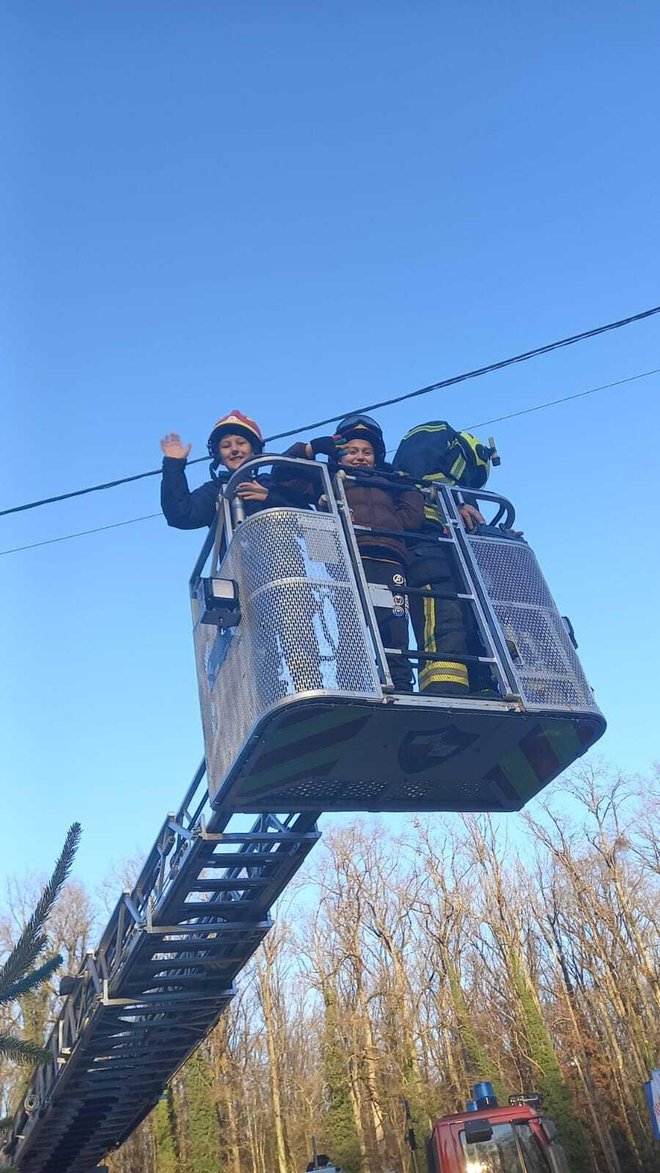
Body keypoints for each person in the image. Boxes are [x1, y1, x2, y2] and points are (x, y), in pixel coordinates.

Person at [283, 414, 424, 693]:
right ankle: (354, 686)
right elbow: (284, 476)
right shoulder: (327, 477)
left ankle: (401, 685)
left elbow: (413, 516)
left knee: (393, 626)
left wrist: (399, 505)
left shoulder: (390, 481)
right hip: (345, 557)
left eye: (367, 452)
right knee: (351, 623)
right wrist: (310, 449)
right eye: (351, 451)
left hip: (388, 556)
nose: (359, 457)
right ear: (338, 455)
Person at [392, 420, 494, 697]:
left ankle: (482, 685)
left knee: (470, 618)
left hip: (448, 549)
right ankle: (445, 687)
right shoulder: (435, 434)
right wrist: (453, 504)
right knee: (441, 615)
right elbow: (419, 474)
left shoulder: (458, 486)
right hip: (426, 545)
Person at [160, 410, 301, 529]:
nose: (234, 450)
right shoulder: (215, 492)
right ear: (219, 457)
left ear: (254, 451)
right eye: (226, 446)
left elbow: (306, 517)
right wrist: (173, 465)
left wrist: (270, 497)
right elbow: (180, 515)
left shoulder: (269, 483)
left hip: (284, 561)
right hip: (235, 561)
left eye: (241, 443)